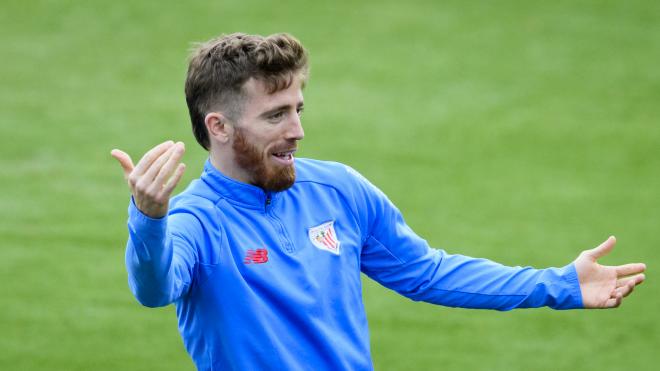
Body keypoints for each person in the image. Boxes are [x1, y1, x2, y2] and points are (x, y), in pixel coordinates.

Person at [111, 33, 646, 371]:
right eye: (276, 115)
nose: (298, 130)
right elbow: (155, 289)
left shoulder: (338, 189)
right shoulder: (195, 221)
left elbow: (428, 273)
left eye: (299, 108)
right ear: (219, 127)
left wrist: (558, 285)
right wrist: (149, 220)